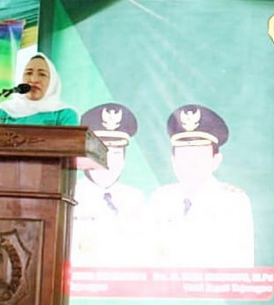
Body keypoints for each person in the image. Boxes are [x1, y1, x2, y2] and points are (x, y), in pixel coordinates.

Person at [147, 104, 255, 267]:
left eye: (199, 155)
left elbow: (241, 265)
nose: (191, 163)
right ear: (173, 160)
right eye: (184, 154)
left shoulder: (232, 202)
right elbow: (150, 259)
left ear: (216, 160)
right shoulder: (160, 199)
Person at [71, 103, 148, 266]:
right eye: (101, 153)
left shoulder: (136, 199)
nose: (108, 162)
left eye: (116, 153)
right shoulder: (70, 196)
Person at [0, 52, 78, 126]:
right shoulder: (1, 113)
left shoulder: (65, 114)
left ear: (52, 82)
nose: (34, 80)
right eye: (28, 73)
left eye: (42, 74)